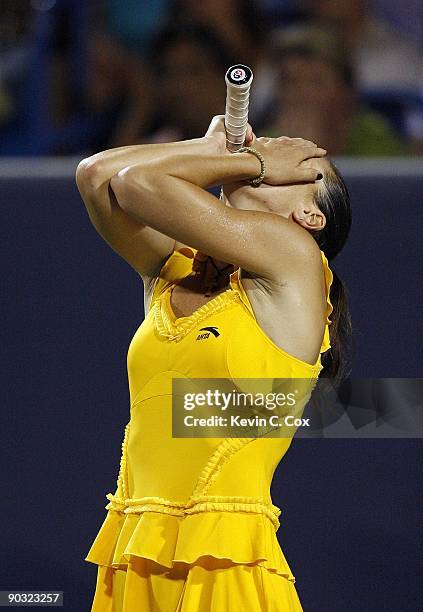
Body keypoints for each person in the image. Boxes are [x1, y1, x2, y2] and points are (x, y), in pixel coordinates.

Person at [76, 114, 352, 610]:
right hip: (134, 550)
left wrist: (248, 158)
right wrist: (209, 146)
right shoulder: (176, 268)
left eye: (302, 163)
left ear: (310, 217)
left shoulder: (297, 256)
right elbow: (96, 176)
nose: (280, 154)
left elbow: (140, 183)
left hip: (224, 563)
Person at [260, 25, 411, 156]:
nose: (303, 94)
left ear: (346, 91)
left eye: (316, 82)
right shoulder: (263, 146)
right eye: (291, 82)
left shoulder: (375, 136)